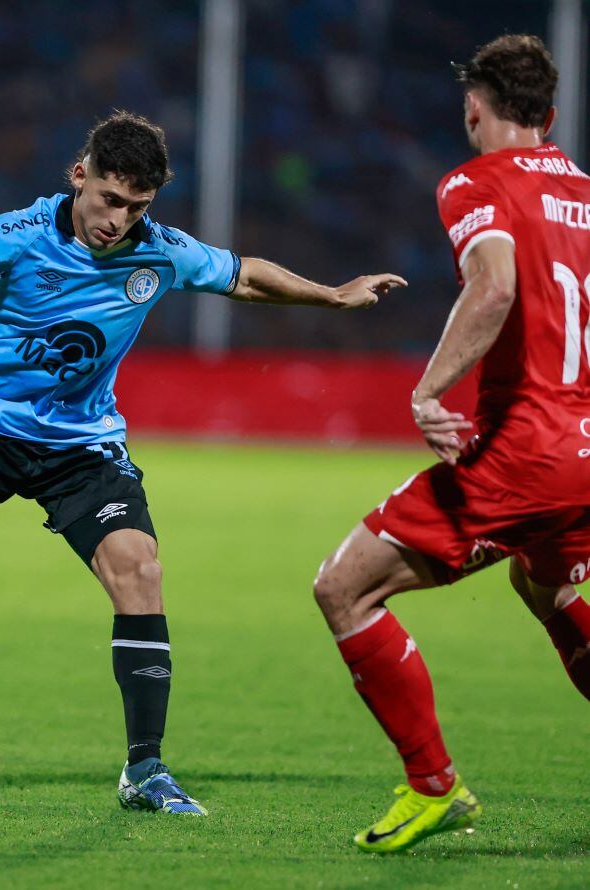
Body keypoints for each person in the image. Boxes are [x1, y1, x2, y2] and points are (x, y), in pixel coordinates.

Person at [0, 110, 404, 813]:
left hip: (82, 447)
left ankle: (144, 770)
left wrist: (332, 294)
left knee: (139, 569)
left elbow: (244, 277)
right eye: (110, 199)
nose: (119, 219)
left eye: (138, 206)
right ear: (80, 177)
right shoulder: (15, 235)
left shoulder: (159, 250)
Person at [312, 35, 590, 853]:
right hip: (584, 449)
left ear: (476, 104)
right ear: (550, 112)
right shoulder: (588, 193)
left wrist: (428, 389)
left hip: (527, 453)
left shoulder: (473, 182)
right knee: (545, 593)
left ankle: (433, 785)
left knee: (344, 590)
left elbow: (495, 282)